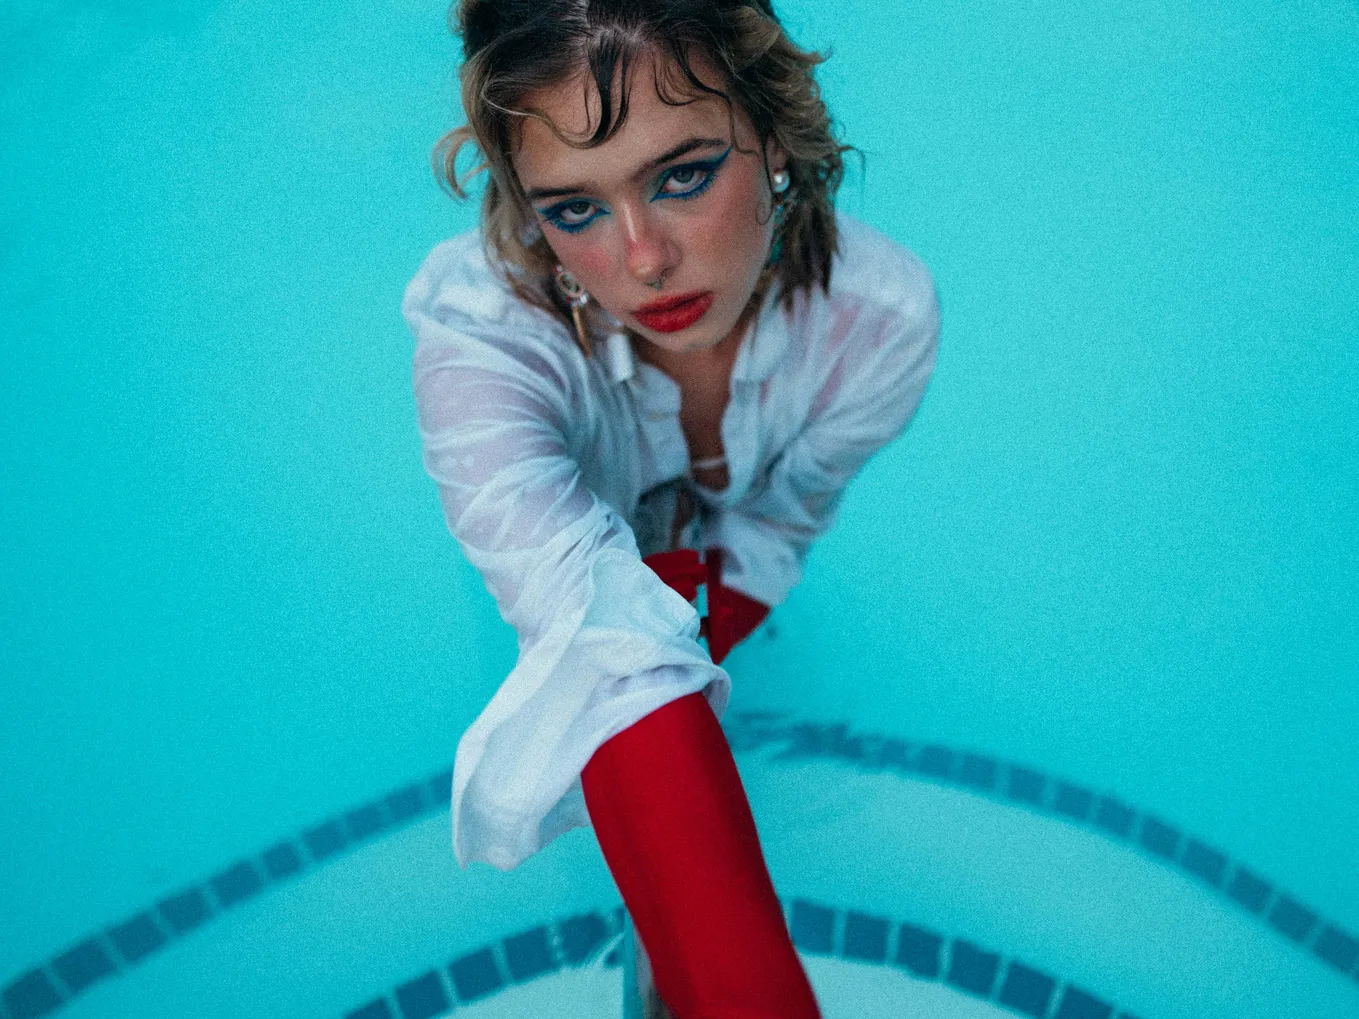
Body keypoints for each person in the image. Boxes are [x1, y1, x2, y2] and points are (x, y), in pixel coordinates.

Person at [402, 1, 940, 1015]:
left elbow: (778, 522)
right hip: (557, 590)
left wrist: (701, 633)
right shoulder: (482, 342)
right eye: (575, 208)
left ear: (772, 136)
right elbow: (586, 627)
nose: (643, 259)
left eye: (682, 176)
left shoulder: (876, 325)